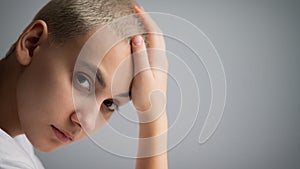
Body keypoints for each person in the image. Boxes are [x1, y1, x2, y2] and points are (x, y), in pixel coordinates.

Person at [0, 0, 168, 168]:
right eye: (84, 81)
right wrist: (154, 120)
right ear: (32, 43)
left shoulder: (17, 143)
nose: (87, 122)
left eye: (109, 104)